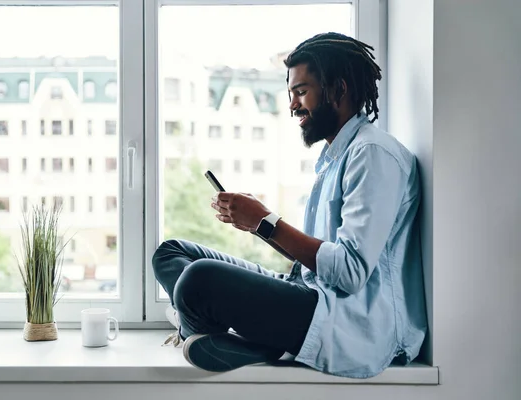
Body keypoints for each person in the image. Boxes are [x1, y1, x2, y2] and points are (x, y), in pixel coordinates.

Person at [152, 32, 427, 378]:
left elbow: (351, 272)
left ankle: (208, 331)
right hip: (308, 290)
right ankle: (245, 341)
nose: (292, 106)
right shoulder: (337, 157)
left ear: (338, 89)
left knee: (197, 281)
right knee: (170, 253)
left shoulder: (374, 155)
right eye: (291, 94)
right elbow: (315, 258)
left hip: (350, 324)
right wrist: (256, 223)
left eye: (300, 92)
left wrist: (266, 222)